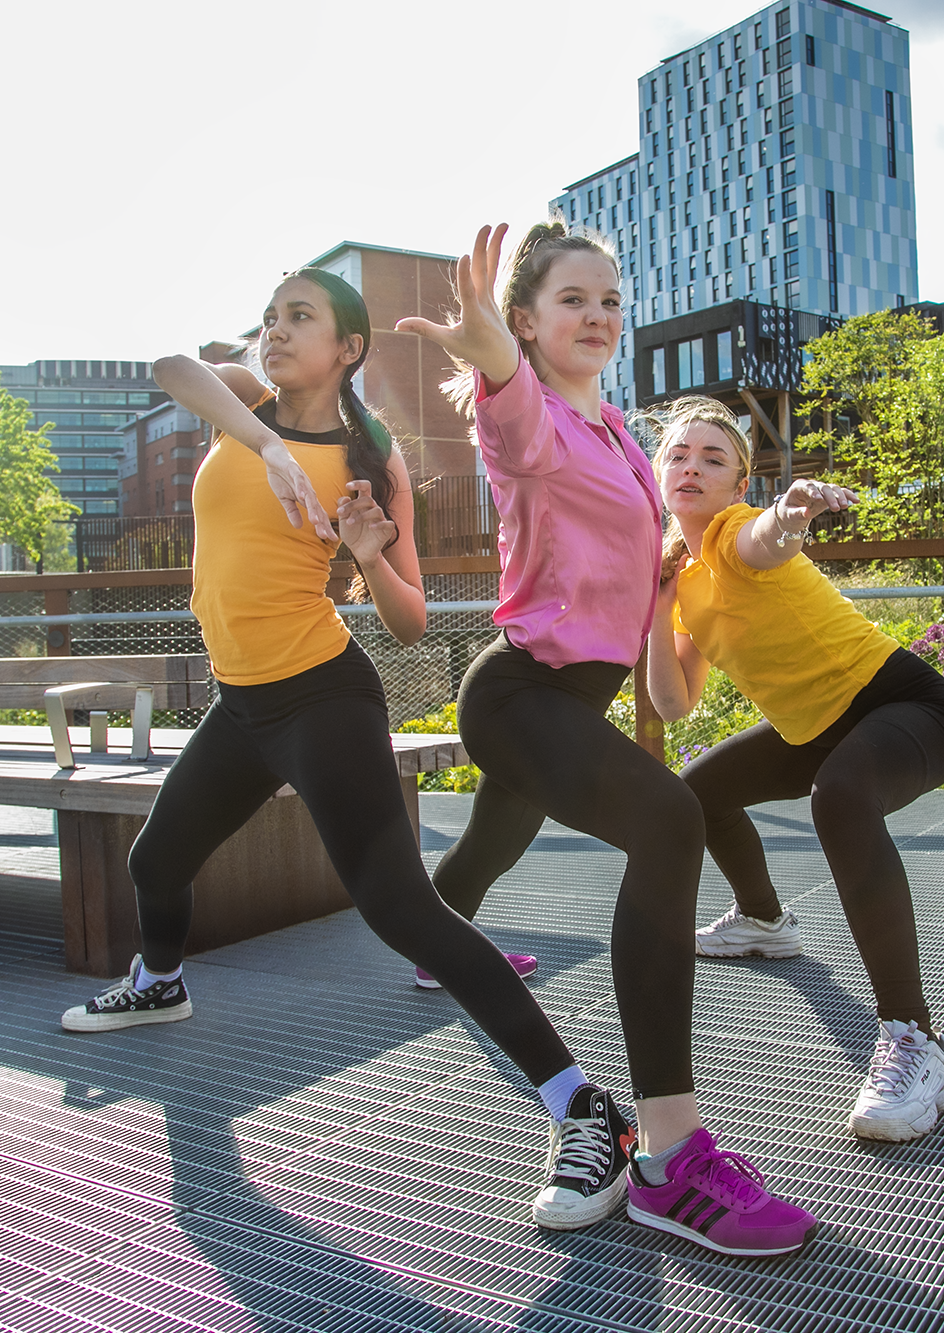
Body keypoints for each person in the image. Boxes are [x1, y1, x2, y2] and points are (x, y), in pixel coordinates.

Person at [58, 268, 633, 1231]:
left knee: (401, 910)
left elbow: (408, 622)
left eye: (299, 319)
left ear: (349, 349)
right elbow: (170, 367)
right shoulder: (245, 402)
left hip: (322, 697)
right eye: (271, 317)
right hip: (241, 706)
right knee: (154, 857)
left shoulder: (374, 459)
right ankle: (158, 983)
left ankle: (584, 1106)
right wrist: (264, 448)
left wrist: (367, 549)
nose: (275, 333)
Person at [397, 223, 816, 1257]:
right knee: (671, 821)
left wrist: (686, 565)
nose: (597, 316)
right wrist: (491, 345)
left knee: (495, 847)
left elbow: (643, 541)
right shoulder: (529, 416)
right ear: (530, 320)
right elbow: (507, 413)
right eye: (571, 300)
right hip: (521, 691)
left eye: (609, 301)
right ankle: (669, 1159)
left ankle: (437, 936)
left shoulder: (622, 433)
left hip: (572, 703)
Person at [643, 397, 944, 1143]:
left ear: (737, 483)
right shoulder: (681, 577)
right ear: (660, 472)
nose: (691, 465)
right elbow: (672, 702)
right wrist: (657, 606)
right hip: (818, 727)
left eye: (712, 458)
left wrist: (790, 513)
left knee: (840, 799)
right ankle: (763, 918)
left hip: (904, 705)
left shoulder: (732, 532)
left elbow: (768, 540)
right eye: (678, 454)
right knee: (695, 797)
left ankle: (916, 1037)